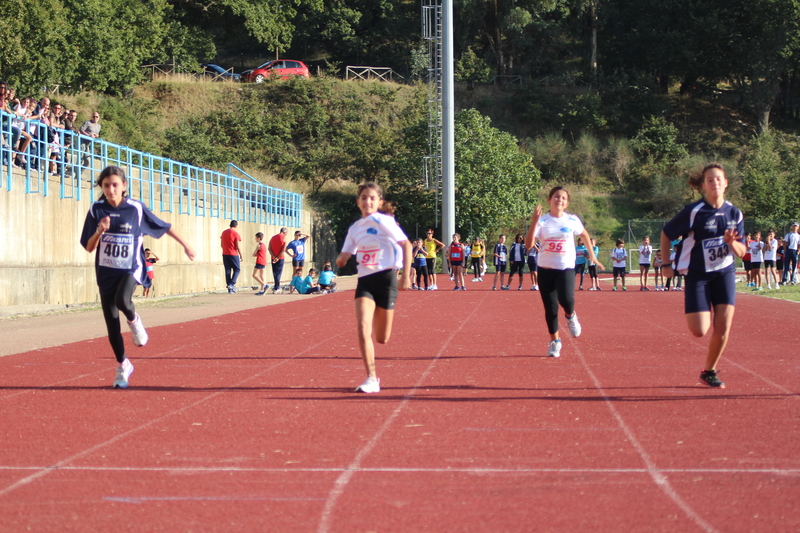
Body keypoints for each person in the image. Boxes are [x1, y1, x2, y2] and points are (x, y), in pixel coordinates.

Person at [80, 166, 195, 389]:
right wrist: (99, 232)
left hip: (130, 268)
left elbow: (164, 227)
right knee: (112, 326)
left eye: (115, 185)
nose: (111, 190)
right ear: (101, 188)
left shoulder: (135, 209)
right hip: (106, 272)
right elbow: (89, 247)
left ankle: (134, 321)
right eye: (106, 186)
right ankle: (123, 366)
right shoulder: (96, 210)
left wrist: (186, 245)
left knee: (123, 300)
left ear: (124, 186)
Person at [660, 163, 746, 389]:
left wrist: (731, 242)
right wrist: (667, 264)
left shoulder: (735, 213)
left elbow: (743, 252)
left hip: (725, 272)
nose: (715, 183)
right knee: (699, 331)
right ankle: (700, 307)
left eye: (719, 179)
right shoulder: (694, 211)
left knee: (723, 326)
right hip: (698, 274)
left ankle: (709, 371)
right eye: (710, 180)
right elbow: (667, 233)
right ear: (703, 186)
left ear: (726, 183)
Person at [336, 182, 411, 393]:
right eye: (363, 198)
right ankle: (371, 378)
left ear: (380, 202)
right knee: (362, 327)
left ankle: (372, 373)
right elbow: (345, 255)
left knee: (381, 338)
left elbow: (406, 245)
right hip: (366, 282)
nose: (367, 201)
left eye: (372, 198)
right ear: (357, 201)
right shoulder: (354, 228)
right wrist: (341, 259)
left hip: (387, 280)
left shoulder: (384, 220)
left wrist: (405, 275)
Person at [525, 186, 604, 358]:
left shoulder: (572, 220)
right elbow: (529, 245)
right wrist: (534, 222)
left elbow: (584, 234)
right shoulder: (542, 221)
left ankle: (571, 315)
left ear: (566, 203)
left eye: (562, 198)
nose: (559, 200)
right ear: (549, 199)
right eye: (556, 196)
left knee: (567, 300)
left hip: (566, 267)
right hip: (545, 269)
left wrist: (592, 256)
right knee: (551, 308)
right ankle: (555, 342)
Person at [220, 220, 243, 293]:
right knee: (237, 269)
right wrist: (241, 255)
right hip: (233, 254)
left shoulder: (224, 232)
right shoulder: (235, 233)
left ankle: (230, 289)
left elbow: (221, 245)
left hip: (225, 253)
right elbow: (238, 245)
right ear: (236, 226)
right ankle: (232, 283)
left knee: (227, 270)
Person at [269, 227, 289, 294]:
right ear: (285, 232)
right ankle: (276, 287)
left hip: (273, 258)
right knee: (278, 273)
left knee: (275, 273)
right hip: (280, 258)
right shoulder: (284, 238)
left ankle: (276, 286)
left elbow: (269, 248)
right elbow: (283, 250)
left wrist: (274, 256)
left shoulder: (272, 238)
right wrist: (278, 257)